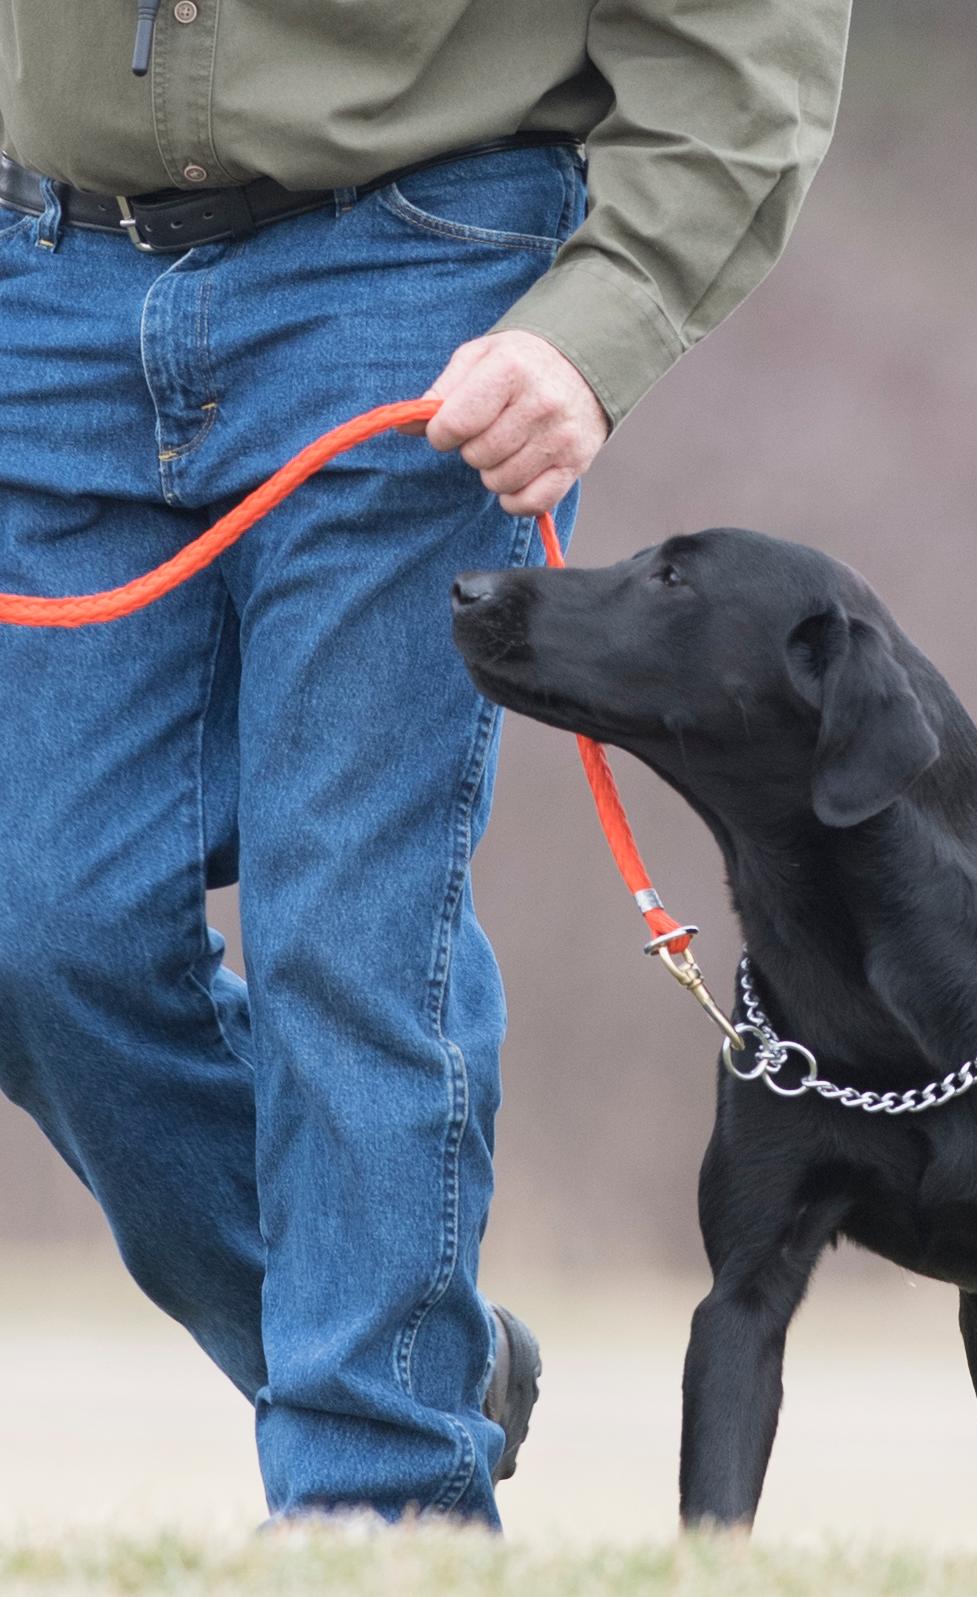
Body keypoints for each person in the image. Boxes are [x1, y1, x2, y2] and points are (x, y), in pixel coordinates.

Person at [0, 0, 851, 1527]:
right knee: (35, 931)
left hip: (418, 278)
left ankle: (377, 1509)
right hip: (48, 290)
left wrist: (601, 321)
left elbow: (743, 40)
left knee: (351, 922)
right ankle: (415, 1359)